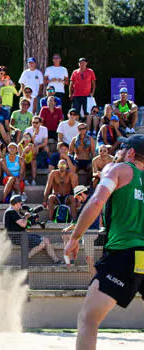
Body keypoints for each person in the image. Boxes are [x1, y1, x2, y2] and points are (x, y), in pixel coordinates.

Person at [64, 134, 144, 350]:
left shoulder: (117, 169)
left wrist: (75, 237)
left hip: (124, 253)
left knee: (88, 320)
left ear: (131, 153)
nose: (115, 153)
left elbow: (97, 201)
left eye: (121, 148)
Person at [5, 195, 63, 264]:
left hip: (22, 235)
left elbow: (22, 225)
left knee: (46, 240)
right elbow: (23, 224)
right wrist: (26, 216)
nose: (21, 205)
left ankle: (56, 260)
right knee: (43, 243)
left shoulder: (13, 211)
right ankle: (25, 259)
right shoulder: (11, 212)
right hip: (17, 237)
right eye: (21, 203)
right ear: (17, 203)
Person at [61, 185, 100, 277]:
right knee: (66, 235)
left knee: (89, 258)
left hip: (90, 233)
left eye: (77, 197)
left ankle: (95, 280)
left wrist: (68, 228)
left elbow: (79, 222)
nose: (78, 200)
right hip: (87, 232)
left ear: (82, 193)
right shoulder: (89, 200)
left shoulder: (89, 202)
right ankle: (70, 260)